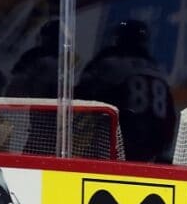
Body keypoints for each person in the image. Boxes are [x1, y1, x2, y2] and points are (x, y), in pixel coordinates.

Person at [75, 19, 176, 163]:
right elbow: (170, 112)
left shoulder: (110, 62)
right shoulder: (158, 69)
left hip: (125, 136)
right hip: (155, 140)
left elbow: (82, 92)